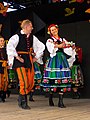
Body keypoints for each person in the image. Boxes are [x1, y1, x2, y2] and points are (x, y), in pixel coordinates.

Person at [7, 19, 45, 109]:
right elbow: (10, 47)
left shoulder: (33, 37)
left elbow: (41, 46)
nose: (32, 28)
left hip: (28, 60)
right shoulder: (16, 37)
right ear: (26, 27)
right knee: (23, 80)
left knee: (30, 81)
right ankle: (24, 102)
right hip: (19, 61)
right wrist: (17, 57)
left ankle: (20, 98)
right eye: (31, 26)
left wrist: (36, 57)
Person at [41, 24, 72, 108]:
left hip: (62, 59)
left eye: (54, 29)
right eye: (52, 30)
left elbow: (67, 49)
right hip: (54, 59)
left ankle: (60, 101)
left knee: (62, 78)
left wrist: (68, 46)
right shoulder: (50, 40)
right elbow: (50, 49)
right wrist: (59, 46)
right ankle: (50, 97)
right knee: (53, 77)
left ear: (57, 29)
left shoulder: (62, 39)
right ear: (50, 32)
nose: (54, 31)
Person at [0, 35, 8, 102]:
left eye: (3, 41)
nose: (2, 42)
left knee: (4, 81)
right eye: (1, 41)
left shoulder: (6, 50)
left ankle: (3, 95)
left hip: (4, 66)